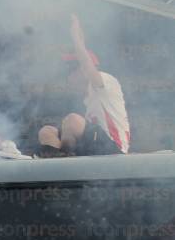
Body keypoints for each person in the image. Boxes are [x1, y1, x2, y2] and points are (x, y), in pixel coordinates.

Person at [37, 15, 130, 157]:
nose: (68, 77)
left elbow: (87, 66)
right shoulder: (88, 99)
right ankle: (56, 168)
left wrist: (76, 38)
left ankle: (65, 162)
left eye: (70, 70)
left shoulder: (107, 81)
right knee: (47, 131)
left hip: (115, 150)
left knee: (72, 120)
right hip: (96, 150)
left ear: (82, 70)